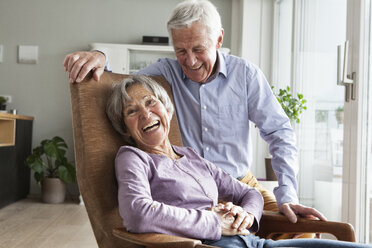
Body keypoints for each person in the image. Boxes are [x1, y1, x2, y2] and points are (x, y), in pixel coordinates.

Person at [64, 0, 325, 231]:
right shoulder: (163, 73)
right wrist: (100, 56)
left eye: (198, 49)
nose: (189, 61)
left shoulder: (246, 75)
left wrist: (287, 194)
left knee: (302, 229)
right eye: (181, 51)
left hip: (241, 185)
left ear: (219, 40)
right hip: (188, 190)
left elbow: (279, 132)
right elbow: (123, 85)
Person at [105, 75, 371, 248]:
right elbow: (136, 213)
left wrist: (246, 216)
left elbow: (248, 193)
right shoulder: (133, 158)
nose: (145, 114)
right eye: (132, 111)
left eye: (151, 102)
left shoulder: (190, 156)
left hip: (253, 242)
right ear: (125, 128)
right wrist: (212, 222)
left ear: (166, 109)